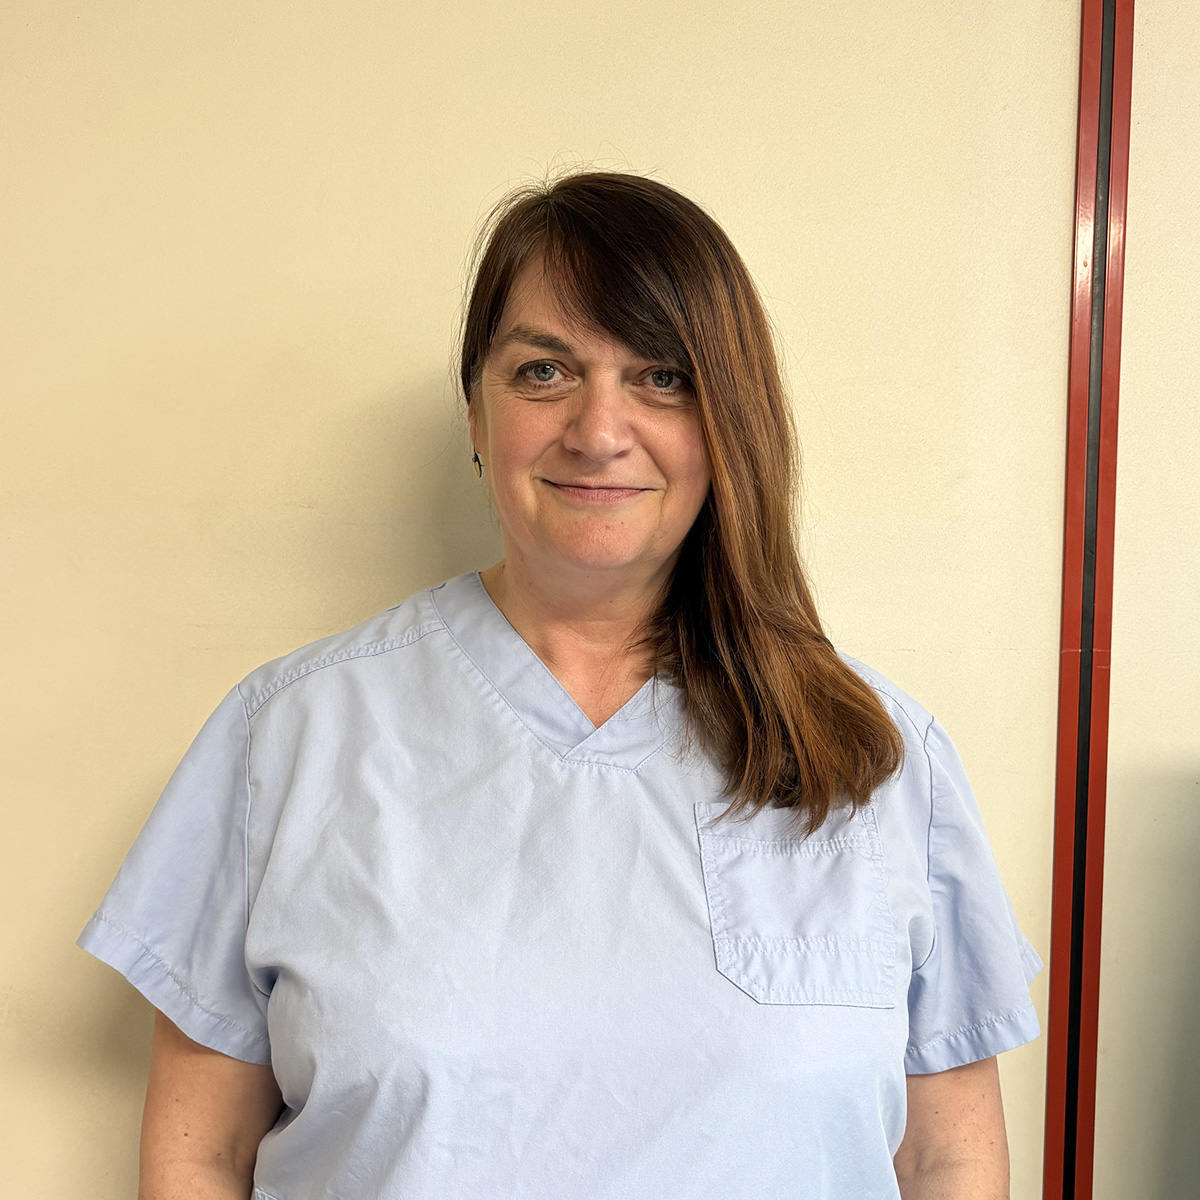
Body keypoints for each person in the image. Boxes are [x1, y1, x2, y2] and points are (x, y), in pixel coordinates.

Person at [78, 171, 1042, 1200]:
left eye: (662, 377)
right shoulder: (289, 739)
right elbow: (202, 1153)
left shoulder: (880, 758)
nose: (598, 430)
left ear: (732, 423)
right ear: (476, 413)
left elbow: (946, 1157)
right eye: (544, 372)